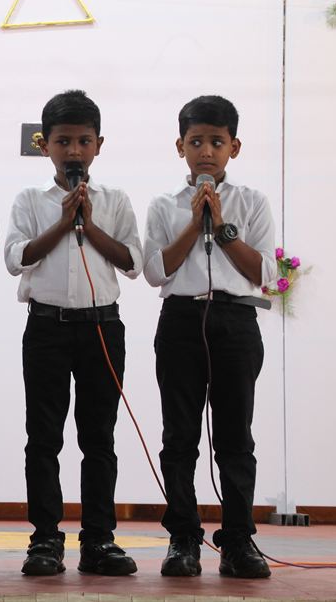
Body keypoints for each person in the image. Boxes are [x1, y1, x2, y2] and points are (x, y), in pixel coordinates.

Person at [4, 90, 141, 576]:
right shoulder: (30, 200)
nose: (74, 151)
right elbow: (15, 258)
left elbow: (133, 262)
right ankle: (45, 539)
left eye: (84, 141)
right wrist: (64, 223)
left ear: (99, 145)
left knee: (98, 438)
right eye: (63, 141)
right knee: (43, 438)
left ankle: (99, 540)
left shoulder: (115, 200)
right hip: (46, 328)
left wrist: (89, 225)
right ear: (45, 145)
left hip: (102, 327)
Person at [144, 95, 276, 579]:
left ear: (233, 148)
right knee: (179, 436)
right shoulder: (164, 205)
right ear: (180, 146)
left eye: (216, 142)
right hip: (181, 321)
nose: (206, 151)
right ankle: (183, 538)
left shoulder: (252, 201)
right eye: (196, 141)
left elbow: (263, 272)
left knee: (235, 437)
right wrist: (193, 222)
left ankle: (238, 540)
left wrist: (220, 226)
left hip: (235, 322)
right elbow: (155, 271)